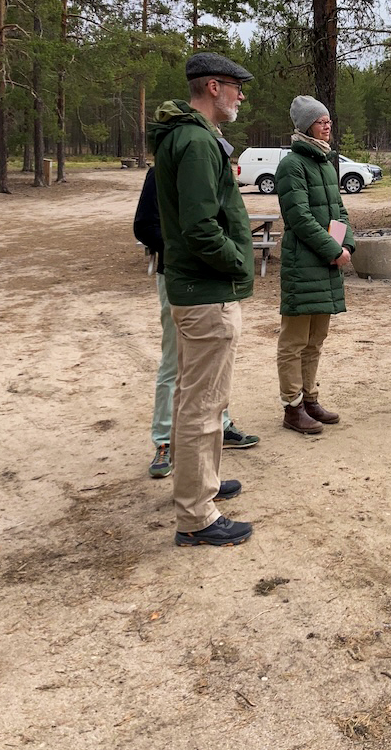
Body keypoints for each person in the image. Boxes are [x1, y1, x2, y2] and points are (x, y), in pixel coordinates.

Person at [150, 51, 257, 547]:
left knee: (200, 398)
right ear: (213, 87)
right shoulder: (194, 141)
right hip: (206, 293)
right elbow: (198, 226)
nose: (241, 95)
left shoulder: (193, 137)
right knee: (202, 403)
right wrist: (238, 259)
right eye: (236, 86)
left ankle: (203, 486)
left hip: (200, 289)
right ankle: (195, 517)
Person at [134, 167, 259, 479]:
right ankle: (164, 440)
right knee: (175, 360)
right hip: (178, 278)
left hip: (215, 280)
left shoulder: (212, 169)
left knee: (217, 361)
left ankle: (222, 423)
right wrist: (186, 250)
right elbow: (144, 226)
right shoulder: (161, 173)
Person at [274, 95, 355, 434]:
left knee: (316, 339)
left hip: (325, 265)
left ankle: (310, 399)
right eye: (321, 121)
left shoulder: (324, 162)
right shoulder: (291, 165)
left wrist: (345, 243)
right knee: (294, 341)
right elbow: (300, 217)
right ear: (306, 125)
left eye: (328, 120)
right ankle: (292, 408)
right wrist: (331, 250)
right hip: (303, 264)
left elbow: (339, 212)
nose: (328, 125)